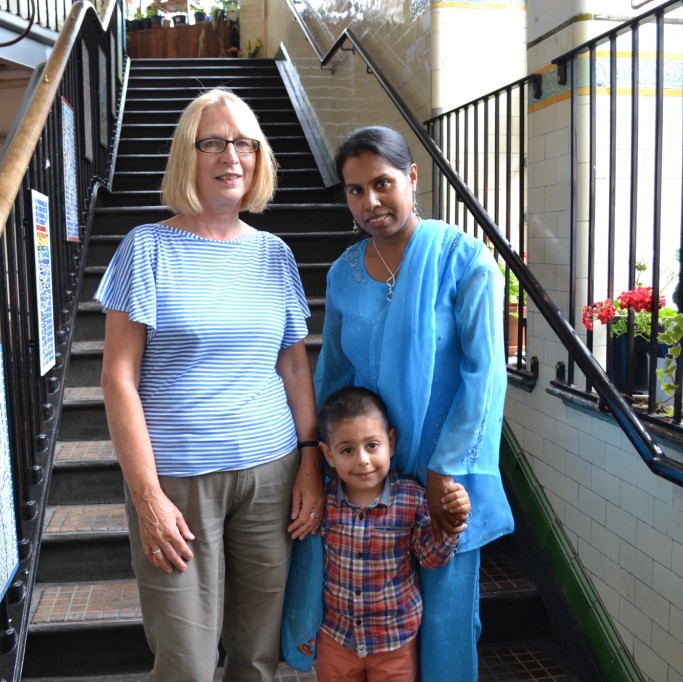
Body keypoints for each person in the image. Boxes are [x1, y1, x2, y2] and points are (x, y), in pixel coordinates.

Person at [95, 88, 324, 682]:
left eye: (245, 143)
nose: (232, 156)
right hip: (178, 482)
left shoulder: (275, 255)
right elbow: (118, 379)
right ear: (187, 156)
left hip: (271, 472)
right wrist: (147, 499)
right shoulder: (146, 248)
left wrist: (309, 461)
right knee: (187, 664)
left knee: (256, 656)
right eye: (214, 143)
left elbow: (293, 366)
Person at [313, 125, 515, 680]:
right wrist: (324, 459)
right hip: (365, 473)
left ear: (412, 177)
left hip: (439, 477)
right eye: (354, 190)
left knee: (446, 625)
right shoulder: (344, 273)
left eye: (382, 183)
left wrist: (443, 470)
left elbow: (485, 374)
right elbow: (332, 376)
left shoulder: (463, 260)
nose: (370, 202)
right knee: (370, 618)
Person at [316, 386, 470, 681]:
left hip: (394, 641)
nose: (362, 459)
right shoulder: (324, 502)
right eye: (347, 450)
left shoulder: (411, 497)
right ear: (328, 454)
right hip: (336, 637)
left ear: (391, 442)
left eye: (372, 445)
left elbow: (430, 558)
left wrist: (451, 521)